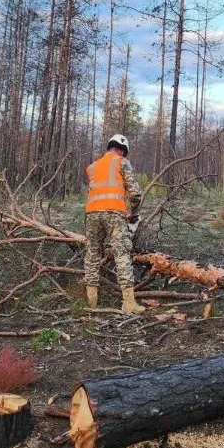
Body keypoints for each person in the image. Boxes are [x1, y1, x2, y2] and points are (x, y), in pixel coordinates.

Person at [83, 134, 145, 314]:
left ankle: (91, 301)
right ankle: (129, 303)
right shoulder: (121, 162)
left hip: (92, 213)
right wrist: (133, 214)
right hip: (114, 213)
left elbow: (93, 191)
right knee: (122, 253)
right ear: (121, 150)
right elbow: (135, 194)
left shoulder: (93, 167)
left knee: (92, 254)